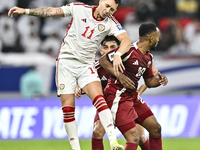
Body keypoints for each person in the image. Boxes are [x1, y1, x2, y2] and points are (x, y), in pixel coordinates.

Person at [8, 0, 132, 150]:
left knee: (99, 99)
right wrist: (26, 11)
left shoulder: (111, 23)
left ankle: (113, 141)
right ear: (100, 1)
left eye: (112, 9)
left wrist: (118, 54)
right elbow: (52, 11)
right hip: (66, 62)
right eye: (107, 6)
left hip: (86, 64)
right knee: (68, 109)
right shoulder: (79, 9)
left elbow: (126, 40)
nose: (108, 11)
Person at [92, 22, 168, 150]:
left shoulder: (148, 57)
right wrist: (120, 76)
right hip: (117, 95)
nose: (158, 40)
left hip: (132, 96)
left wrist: (160, 81)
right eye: (157, 37)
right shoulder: (128, 50)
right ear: (151, 39)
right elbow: (103, 60)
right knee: (133, 138)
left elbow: (149, 81)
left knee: (155, 128)